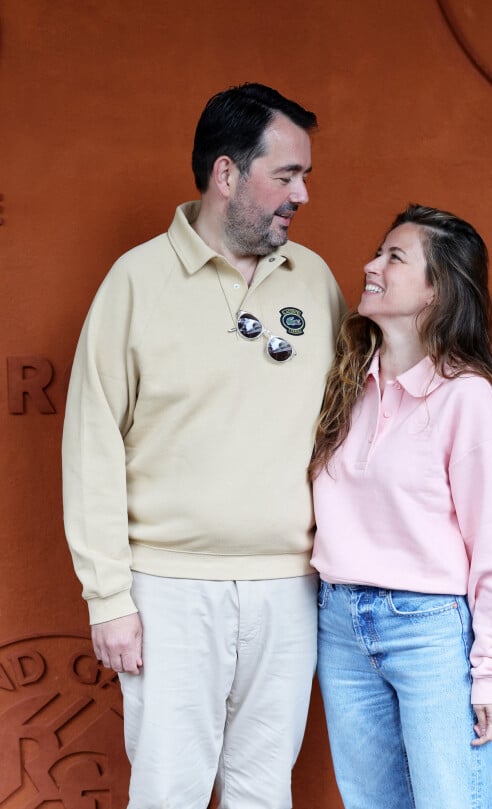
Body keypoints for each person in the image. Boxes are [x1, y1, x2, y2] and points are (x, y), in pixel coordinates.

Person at [62, 83, 345, 809]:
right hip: (166, 590)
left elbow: (351, 429)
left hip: (289, 588)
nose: (303, 194)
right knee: (168, 793)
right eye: (286, 175)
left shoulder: (313, 281)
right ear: (227, 173)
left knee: (263, 792)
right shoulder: (135, 281)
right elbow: (93, 443)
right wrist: (108, 597)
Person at [309, 204, 492, 809]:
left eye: (394, 257)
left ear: (437, 290)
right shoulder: (347, 384)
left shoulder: (466, 400)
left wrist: (490, 674)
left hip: (429, 631)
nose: (370, 265)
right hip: (340, 623)